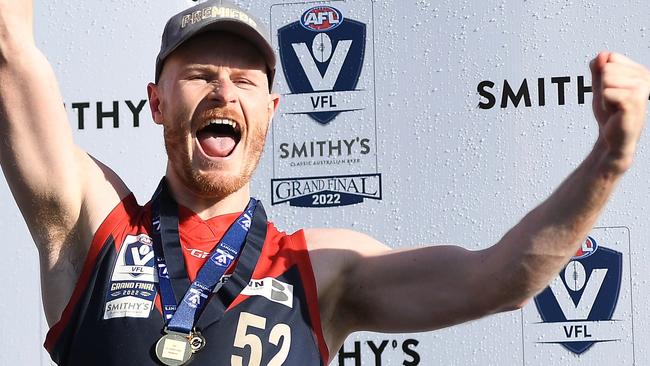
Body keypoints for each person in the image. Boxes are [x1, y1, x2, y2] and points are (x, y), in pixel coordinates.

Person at [1, 0, 649, 365]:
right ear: (156, 102)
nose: (224, 88)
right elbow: (9, 45)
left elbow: (501, 279)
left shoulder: (319, 269)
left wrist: (610, 159)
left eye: (247, 80)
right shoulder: (94, 227)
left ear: (271, 114)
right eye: (200, 74)